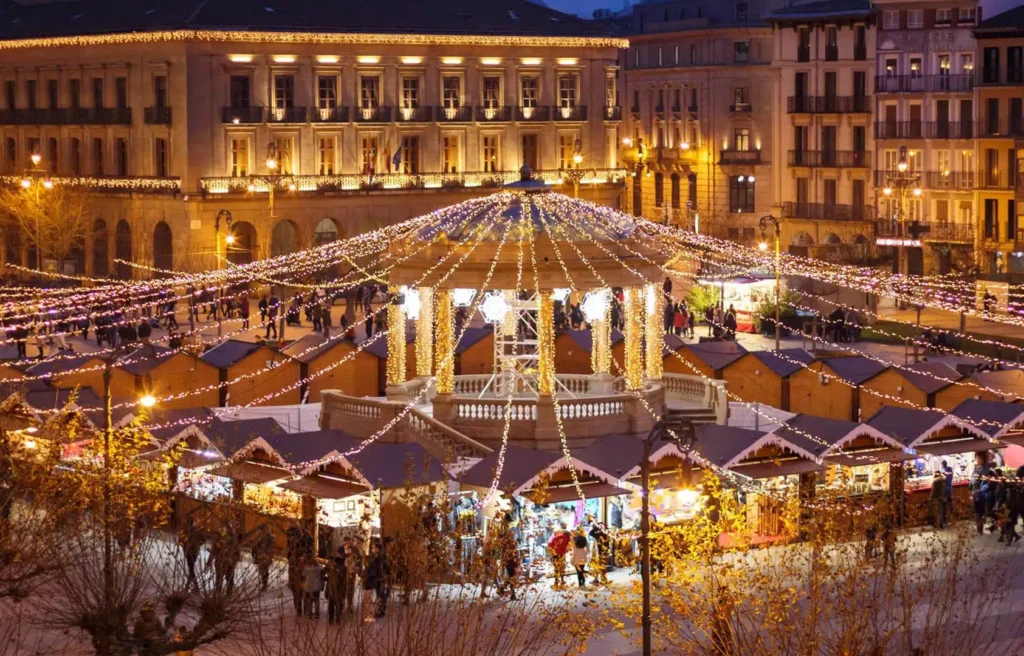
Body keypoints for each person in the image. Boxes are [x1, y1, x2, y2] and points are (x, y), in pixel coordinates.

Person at [547, 523, 570, 589]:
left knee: (556, 568)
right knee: (562, 567)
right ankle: (562, 581)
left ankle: (556, 582)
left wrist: (551, 552)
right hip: (562, 554)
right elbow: (569, 545)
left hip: (555, 554)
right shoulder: (567, 535)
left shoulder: (555, 534)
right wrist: (566, 550)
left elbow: (549, 543)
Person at [302, 556, 325, 620]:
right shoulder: (319, 569)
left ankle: (309, 615)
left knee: (309, 602)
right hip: (316, 587)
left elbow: (303, 576)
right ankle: (317, 615)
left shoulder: (306, 569)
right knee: (316, 601)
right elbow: (323, 575)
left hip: (308, 587)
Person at [251, 524, 274, 591]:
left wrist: (266, 555)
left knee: (264, 570)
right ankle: (264, 584)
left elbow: (270, 547)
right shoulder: (259, 536)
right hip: (260, 556)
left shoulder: (269, 537)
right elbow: (255, 546)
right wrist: (255, 554)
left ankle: (265, 584)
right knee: (262, 570)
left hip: (265, 556)